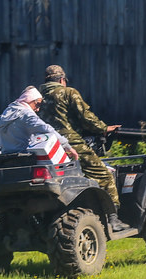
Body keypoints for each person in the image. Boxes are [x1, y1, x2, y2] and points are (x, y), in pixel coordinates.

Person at [39, 65, 128, 231]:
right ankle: (113, 219)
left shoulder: (37, 98)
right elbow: (86, 118)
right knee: (103, 174)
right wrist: (104, 128)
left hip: (45, 145)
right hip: (70, 143)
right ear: (62, 80)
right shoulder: (68, 92)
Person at [0, 86, 79, 160]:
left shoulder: (5, 114)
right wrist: (66, 146)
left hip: (6, 160)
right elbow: (47, 129)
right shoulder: (26, 115)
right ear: (29, 100)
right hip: (24, 160)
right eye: (38, 104)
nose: (38, 109)